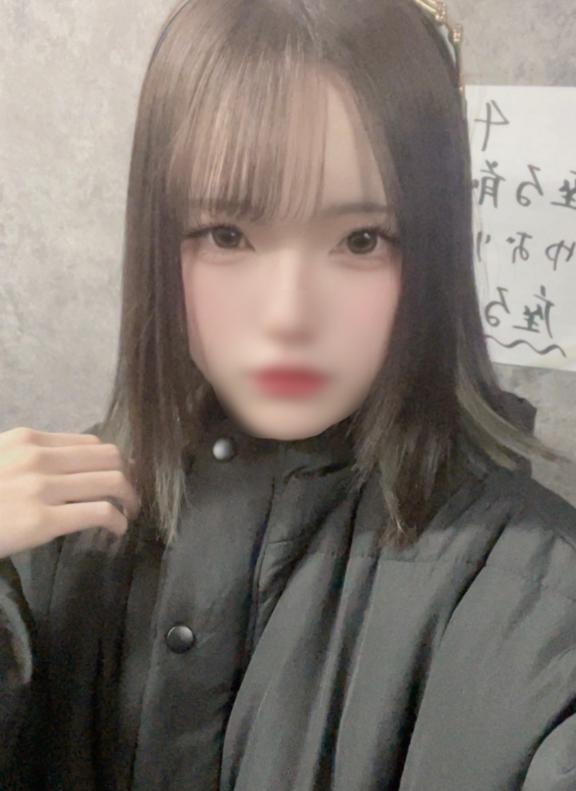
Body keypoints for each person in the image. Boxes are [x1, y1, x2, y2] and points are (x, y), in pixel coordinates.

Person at [1, 0, 575, 788]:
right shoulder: (50, 533)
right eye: (228, 235)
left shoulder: (535, 596)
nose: (288, 315)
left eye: (361, 240)